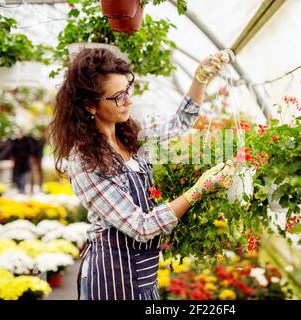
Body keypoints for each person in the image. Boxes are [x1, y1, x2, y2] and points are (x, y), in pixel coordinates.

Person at [48, 48, 235, 300]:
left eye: (128, 90)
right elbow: (142, 226)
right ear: (90, 105)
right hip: (112, 278)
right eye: (118, 96)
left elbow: (179, 123)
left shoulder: (129, 134)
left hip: (143, 274)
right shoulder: (85, 161)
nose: (128, 100)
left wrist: (199, 78)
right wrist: (199, 189)